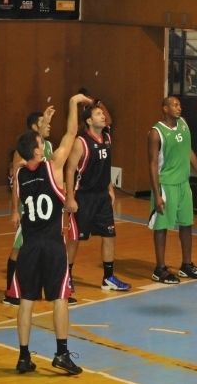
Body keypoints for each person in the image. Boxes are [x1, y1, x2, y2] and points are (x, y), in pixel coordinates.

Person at [9, 93, 89, 375]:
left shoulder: (19, 175)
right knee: (60, 298)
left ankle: (23, 357)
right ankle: (61, 353)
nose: (44, 143)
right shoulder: (52, 166)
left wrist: (44, 121)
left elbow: (28, 152)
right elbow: (71, 132)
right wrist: (73, 104)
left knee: (26, 302)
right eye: (41, 142)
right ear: (36, 151)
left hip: (29, 246)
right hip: (52, 245)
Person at [65, 102, 131, 293]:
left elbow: (105, 165)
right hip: (83, 197)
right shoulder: (81, 142)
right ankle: (66, 276)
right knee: (75, 239)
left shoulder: (107, 137)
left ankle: (108, 278)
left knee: (109, 235)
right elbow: (70, 170)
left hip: (102, 196)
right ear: (88, 120)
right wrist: (70, 197)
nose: (103, 116)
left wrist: (110, 187)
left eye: (103, 113)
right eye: (98, 114)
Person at [147, 96, 197, 284]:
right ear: (165, 108)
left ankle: (186, 265)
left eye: (179, 105)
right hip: (166, 184)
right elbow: (152, 164)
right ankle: (159, 268)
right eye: (174, 105)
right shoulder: (156, 133)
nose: (179, 108)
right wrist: (157, 194)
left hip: (183, 183)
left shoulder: (183, 124)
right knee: (161, 227)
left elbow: (188, 151)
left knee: (186, 223)